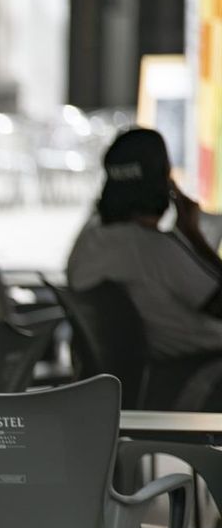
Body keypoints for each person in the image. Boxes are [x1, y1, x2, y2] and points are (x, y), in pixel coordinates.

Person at [67, 127, 222, 397]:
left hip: (154, 381)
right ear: (164, 184)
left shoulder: (89, 241)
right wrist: (195, 236)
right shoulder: (154, 249)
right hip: (197, 377)